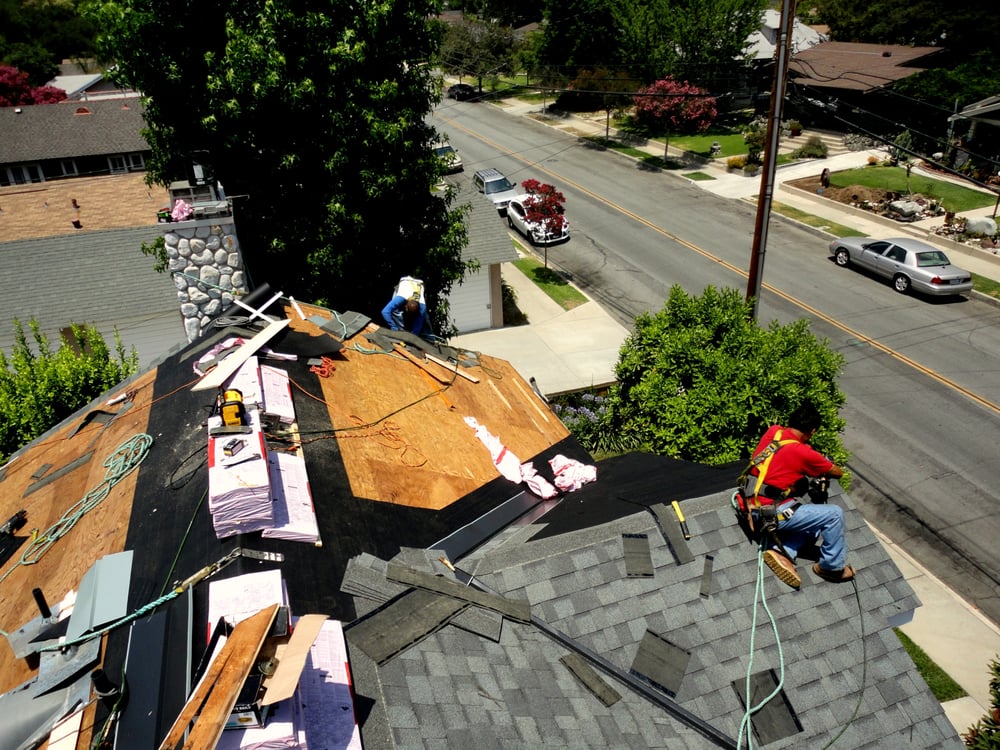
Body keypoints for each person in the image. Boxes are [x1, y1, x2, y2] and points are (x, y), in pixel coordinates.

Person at [741, 403, 854, 589]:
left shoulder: (774, 432)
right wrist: (821, 461)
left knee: (815, 523)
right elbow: (836, 472)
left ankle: (783, 552)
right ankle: (831, 567)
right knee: (834, 515)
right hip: (770, 515)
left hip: (751, 506)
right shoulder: (803, 452)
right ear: (812, 431)